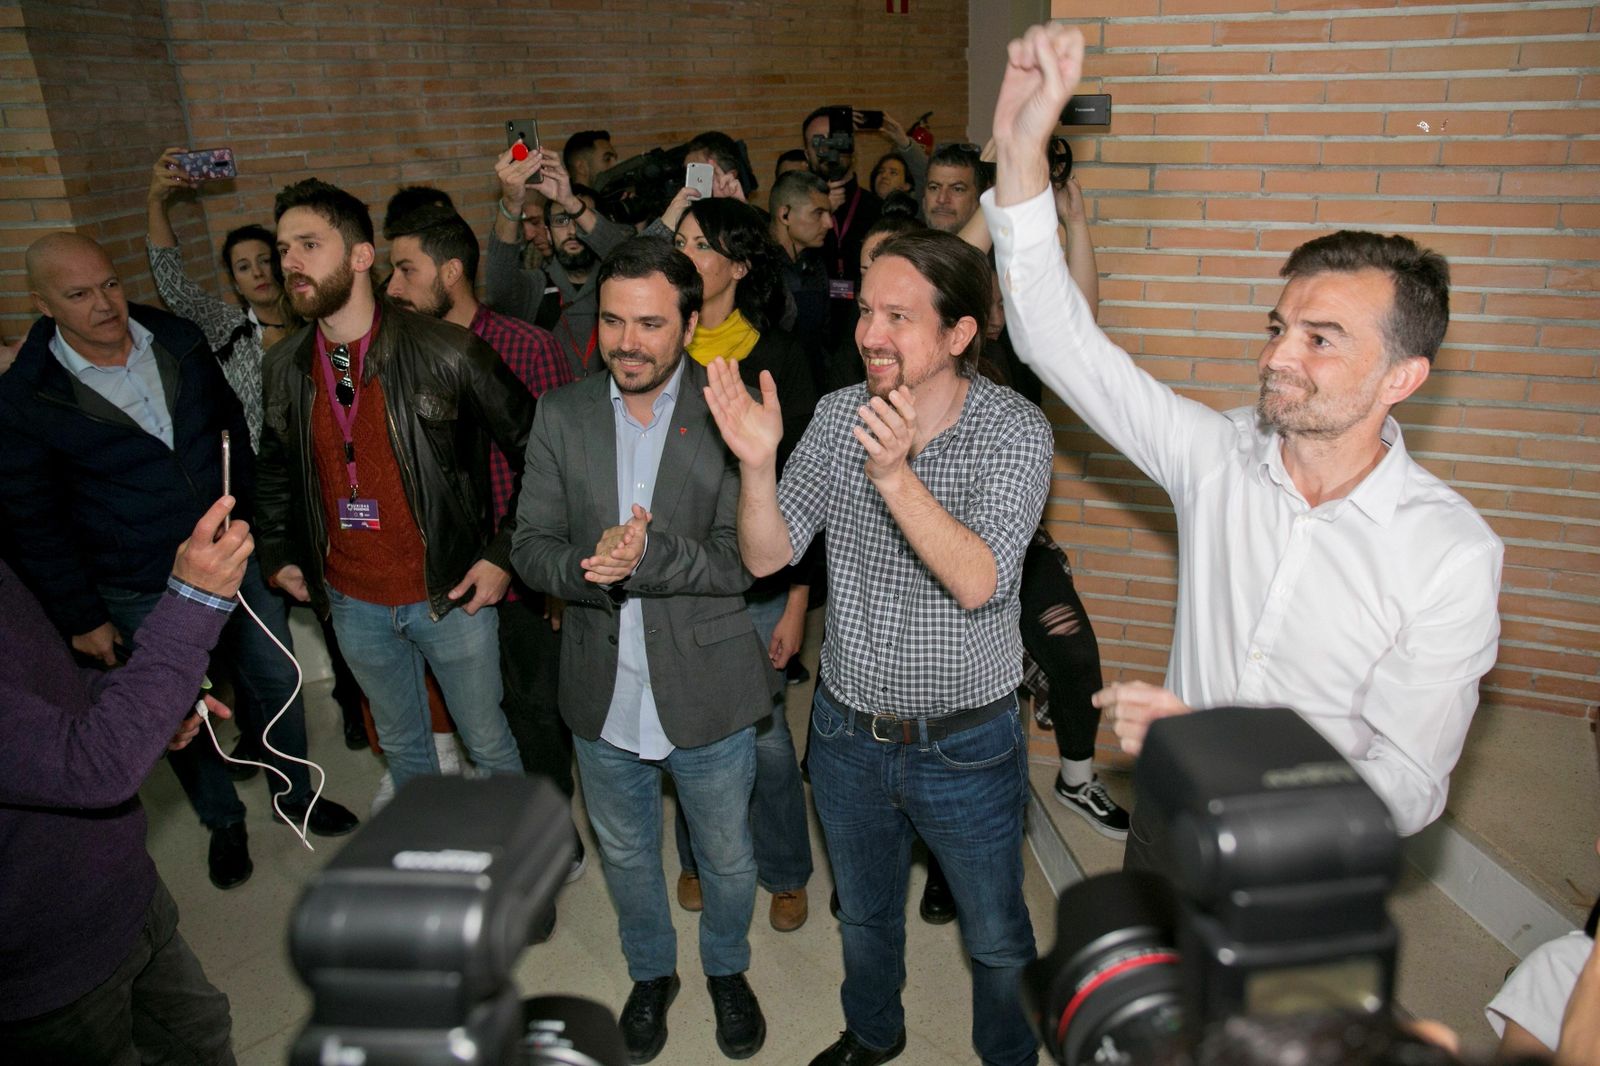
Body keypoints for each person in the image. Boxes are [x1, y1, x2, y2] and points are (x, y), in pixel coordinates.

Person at [987, 25, 1503, 857]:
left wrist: (1221, 749)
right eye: (1279, 327)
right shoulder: (1216, 455)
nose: (1275, 357)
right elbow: (1060, 345)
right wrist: (1019, 150)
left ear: (1402, 377)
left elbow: (1408, 785)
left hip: (1308, 851)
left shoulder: (1449, 555)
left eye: (1321, 339)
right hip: (1169, 822)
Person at [706, 228, 1053, 1066]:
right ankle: (873, 1035)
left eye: (899, 316)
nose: (869, 333)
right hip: (846, 734)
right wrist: (756, 466)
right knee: (861, 915)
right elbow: (765, 555)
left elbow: (980, 581)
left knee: (998, 933)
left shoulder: (1015, 432)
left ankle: (1011, 1055)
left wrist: (896, 474)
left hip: (966, 742)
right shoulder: (834, 415)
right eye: (866, 310)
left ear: (959, 334)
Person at [0, 232, 358, 893]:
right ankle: (222, 821)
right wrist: (81, 615)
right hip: (141, 585)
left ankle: (295, 794)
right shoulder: (26, 399)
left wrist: (249, 516)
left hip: (231, 555)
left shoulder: (175, 337)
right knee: (175, 714)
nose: (105, 304)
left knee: (276, 678)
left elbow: (232, 433)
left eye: (109, 284)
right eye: (79, 295)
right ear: (43, 303)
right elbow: (33, 521)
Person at [511, 237, 772, 1064]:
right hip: (599, 688)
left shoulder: (731, 415)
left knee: (727, 857)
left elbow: (743, 558)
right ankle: (651, 972)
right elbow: (529, 544)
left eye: (651, 323)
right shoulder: (561, 413)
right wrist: (592, 568)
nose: (627, 341)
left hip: (711, 688)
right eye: (614, 321)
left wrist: (647, 558)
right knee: (626, 853)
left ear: (690, 324)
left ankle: (727, 968)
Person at [257, 178, 531, 793]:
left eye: (309, 244)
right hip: (352, 601)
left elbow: (542, 455)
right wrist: (279, 552)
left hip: (449, 594)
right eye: (283, 250)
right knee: (403, 742)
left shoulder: (448, 350)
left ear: (361, 257)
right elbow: (274, 466)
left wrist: (503, 553)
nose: (291, 263)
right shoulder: (285, 365)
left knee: (486, 738)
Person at [0, 496, 249, 1065]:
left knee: (204, 1036)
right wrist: (193, 600)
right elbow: (92, 768)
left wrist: (132, 710)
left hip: (124, 894)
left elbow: (42, 695)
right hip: (42, 967)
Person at [384, 206, 584, 884]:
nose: (393, 286)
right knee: (480, 718)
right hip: (444, 572)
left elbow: (565, 466)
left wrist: (549, 572)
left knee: (534, 710)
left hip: (523, 568)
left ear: (450, 272)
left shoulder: (526, 345)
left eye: (406, 270)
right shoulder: (401, 355)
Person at [148, 150, 371, 755]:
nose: (262, 271)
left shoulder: (321, 329)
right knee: (269, 617)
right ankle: (258, 723)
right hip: (263, 491)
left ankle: (356, 705)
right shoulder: (225, 330)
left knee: (340, 610)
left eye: (268, 259)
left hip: (327, 489)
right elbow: (168, 279)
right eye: (245, 265)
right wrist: (157, 202)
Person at [669, 198, 817, 933]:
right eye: (682, 241)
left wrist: (795, 601)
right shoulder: (656, 347)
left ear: (738, 265)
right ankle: (695, 859)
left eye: (703, 244)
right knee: (686, 728)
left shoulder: (778, 359)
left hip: (755, 586)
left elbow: (803, 489)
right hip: (672, 581)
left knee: (763, 740)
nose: (687, 254)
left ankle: (787, 870)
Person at [488, 144, 635, 377]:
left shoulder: (623, 283)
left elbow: (632, 257)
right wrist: (511, 203)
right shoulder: (537, 287)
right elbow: (500, 282)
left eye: (579, 219)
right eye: (561, 220)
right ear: (547, 232)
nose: (572, 231)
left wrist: (569, 201)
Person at [923, 142, 986, 234]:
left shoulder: (1006, 247)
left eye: (957, 189)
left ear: (979, 200)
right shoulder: (902, 246)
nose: (942, 199)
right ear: (923, 199)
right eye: (934, 188)